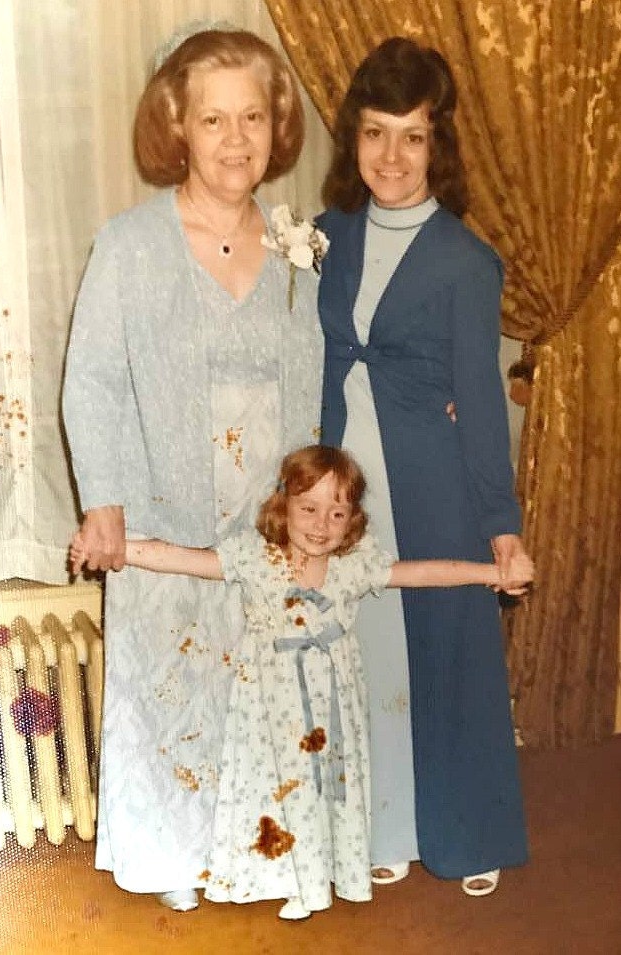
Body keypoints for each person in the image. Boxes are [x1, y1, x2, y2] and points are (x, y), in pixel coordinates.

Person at [62, 27, 323, 912]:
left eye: (253, 116)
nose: (235, 139)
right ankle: (173, 853)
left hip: (263, 515)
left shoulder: (298, 250)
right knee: (172, 674)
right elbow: (91, 380)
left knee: (260, 683)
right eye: (212, 119)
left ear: (277, 123)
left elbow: (313, 385)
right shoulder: (129, 244)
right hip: (165, 510)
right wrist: (102, 502)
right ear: (177, 125)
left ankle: (261, 849)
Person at [69, 445, 534, 920]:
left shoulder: (353, 564)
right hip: (268, 702)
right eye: (308, 509)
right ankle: (284, 877)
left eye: (337, 513)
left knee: (319, 788)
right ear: (283, 504)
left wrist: (489, 574)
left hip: (332, 704)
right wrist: (115, 549)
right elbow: (181, 559)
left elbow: (422, 572)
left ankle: (315, 882)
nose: (320, 525)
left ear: (351, 518)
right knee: (273, 788)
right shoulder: (257, 559)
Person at [317, 37, 531, 896]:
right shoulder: (323, 236)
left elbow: (480, 400)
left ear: (438, 144)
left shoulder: (467, 261)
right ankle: (383, 825)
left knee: (445, 652)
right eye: (375, 133)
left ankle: (466, 830)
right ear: (353, 138)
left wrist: (501, 527)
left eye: (411, 136)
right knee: (362, 656)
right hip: (338, 487)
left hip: (433, 482)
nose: (392, 157)